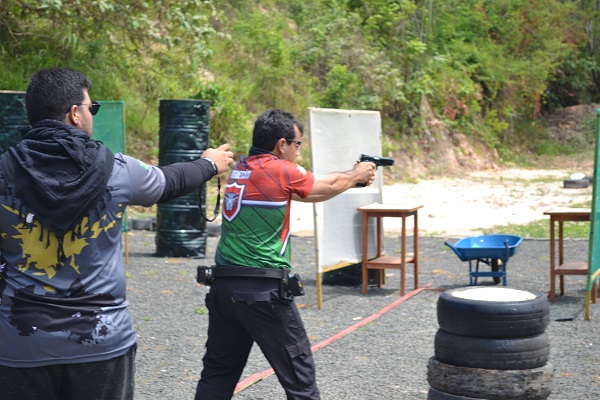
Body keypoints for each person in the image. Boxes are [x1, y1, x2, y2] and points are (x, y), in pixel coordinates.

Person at [0, 67, 234, 400]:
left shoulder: (3, 173)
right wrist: (209, 163)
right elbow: (170, 181)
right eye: (91, 107)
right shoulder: (116, 170)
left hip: (21, 344)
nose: (91, 114)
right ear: (75, 114)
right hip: (101, 341)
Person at [195, 108, 376, 399]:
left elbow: (314, 192)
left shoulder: (243, 168)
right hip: (262, 292)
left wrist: (352, 179)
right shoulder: (279, 169)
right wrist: (357, 173)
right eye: (297, 145)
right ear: (282, 144)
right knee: (300, 378)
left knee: (217, 375)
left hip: (224, 288)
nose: (297, 153)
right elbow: (326, 184)